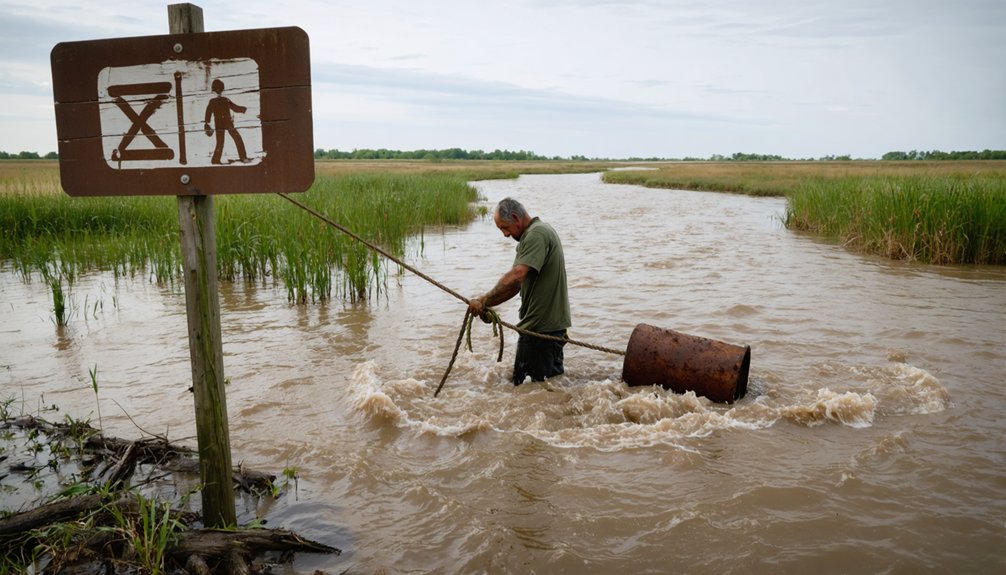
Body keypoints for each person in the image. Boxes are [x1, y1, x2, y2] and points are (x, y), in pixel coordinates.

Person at [468, 197, 571, 385]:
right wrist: (488, 303)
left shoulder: (536, 234)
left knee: (528, 392)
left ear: (516, 218)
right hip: (547, 331)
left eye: (504, 228)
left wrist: (484, 301)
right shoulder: (540, 231)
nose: (505, 235)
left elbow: (516, 277)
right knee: (545, 392)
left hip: (540, 332)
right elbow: (517, 284)